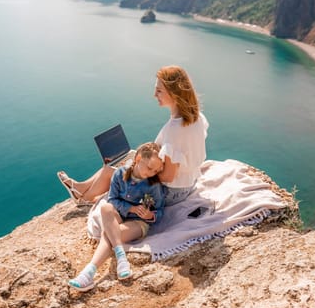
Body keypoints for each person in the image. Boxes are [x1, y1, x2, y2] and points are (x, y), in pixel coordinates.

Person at [58, 65, 209, 206]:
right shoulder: (198, 118)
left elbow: (168, 176)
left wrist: (138, 170)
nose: (154, 94)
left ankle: (84, 200)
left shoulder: (174, 129)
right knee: (113, 166)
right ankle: (80, 187)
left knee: (112, 171)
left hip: (170, 193)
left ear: (174, 93)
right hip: (188, 183)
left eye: (159, 91)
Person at [68, 142, 165, 292]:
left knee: (109, 233)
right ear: (138, 159)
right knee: (106, 207)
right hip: (119, 215)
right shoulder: (120, 173)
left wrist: (150, 214)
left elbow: (160, 210)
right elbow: (112, 199)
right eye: (149, 168)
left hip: (138, 223)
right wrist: (130, 207)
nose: (152, 173)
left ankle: (88, 273)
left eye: (156, 170)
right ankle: (121, 257)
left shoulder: (153, 185)